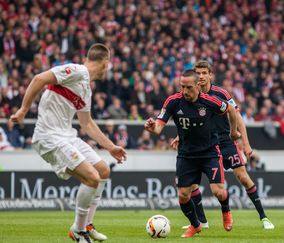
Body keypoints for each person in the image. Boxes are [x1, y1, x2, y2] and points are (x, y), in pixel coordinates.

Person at [10, 43, 127, 243]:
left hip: (67, 136)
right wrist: (23, 109)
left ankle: (87, 225)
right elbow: (39, 79)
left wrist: (111, 147)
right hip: (49, 137)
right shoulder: (76, 70)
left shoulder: (86, 89)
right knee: (91, 177)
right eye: (108, 66)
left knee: (103, 170)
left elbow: (87, 124)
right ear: (105, 63)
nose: (107, 70)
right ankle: (78, 231)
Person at [172, 60, 274, 230]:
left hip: (225, 142)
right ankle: (202, 222)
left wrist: (246, 144)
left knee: (242, 177)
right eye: (199, 73)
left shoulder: (221, 93)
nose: (202, 76)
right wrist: (179, 136)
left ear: (210, 75)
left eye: (205, 73)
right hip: (204, 145)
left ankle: (264, 217)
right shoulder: (189, 96)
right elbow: (190, 120)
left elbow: (237, 115)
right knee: (192, 184)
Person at [144, 69, 240, 238]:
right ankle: (196, 225)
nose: (185, 91)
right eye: (182, 87)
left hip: (210, 152)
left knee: (219, 191)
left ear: (197, 85)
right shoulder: (173, 101)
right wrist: (153, 128)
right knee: (182, 195)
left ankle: (226, 210)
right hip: (186, 155)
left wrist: (233, 132)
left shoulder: (210, 101)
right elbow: (159, 126)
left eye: (188, 87)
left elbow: (232, 110)